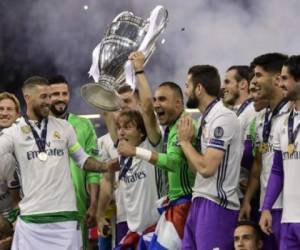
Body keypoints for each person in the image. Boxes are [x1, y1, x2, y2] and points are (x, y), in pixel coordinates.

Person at [0, 76, 118, 250]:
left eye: (49, 96)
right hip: (31, 220)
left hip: (66, 219)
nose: (48, 102)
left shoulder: (64, 128)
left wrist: (105, 166)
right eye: (43, 97)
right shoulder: (14, 132)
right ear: (28, 98)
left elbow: (83, 160)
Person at [117, 51, 195, 250]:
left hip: (184, 205)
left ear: (178, 103)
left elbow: (173, 163)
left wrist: (140, 71)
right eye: (155, 99)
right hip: (169, 208)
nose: (156, 104)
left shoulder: (184, 126)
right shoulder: (169, 130)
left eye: (162, 100)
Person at [177, 65, 241, 250]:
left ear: (199, 88)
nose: (185, 90)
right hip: (199, 199)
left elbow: (207, 168)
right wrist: (188, 143)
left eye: (187, 85)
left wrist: (185, 143)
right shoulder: (206, 119)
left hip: (217, 205)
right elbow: (195, 167)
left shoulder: (223, 117)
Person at [240, 53, 289, 249]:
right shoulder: (262, 119)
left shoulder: (293, 113)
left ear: (277, 77)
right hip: (267, 207)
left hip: (289, 207)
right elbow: (258, 164)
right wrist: (248, 200)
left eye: (258, 75)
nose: (253, 82)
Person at [48, 75, 100, 250]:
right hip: (46, 208)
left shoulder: (83, 125)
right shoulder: (37, 127)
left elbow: (93, 171)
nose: (61, 98)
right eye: (55, 94)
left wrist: (93, 205)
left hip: (77, 208)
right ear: (46, 96)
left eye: (65, 93)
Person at [260, 55, 300, 249]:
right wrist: (267, 207)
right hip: (288, 218)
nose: (280, 83)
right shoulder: (283, 122)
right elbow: (277, 170)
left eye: (285, 78)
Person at [97, 85, 141, 249]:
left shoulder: (153, 134)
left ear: (139, 102)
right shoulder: (106, 141)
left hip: (153, 216)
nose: (123, 107)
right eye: (118, 104)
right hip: (124, 216)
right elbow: (107, 180)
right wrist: (100, 214)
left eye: (128, 101)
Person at [223, 65, 257, 198]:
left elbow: (251, 152)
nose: (223, 87)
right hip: (236, 191)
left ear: (243, 84)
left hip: (246, 192)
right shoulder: (237, 112)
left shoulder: (252, 111)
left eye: (227, 82)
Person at [0, 92, 21, 250]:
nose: (4, 113)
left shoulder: (28, 138)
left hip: (26, 211)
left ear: (17, 114)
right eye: (0, 109)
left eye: (9, 109)